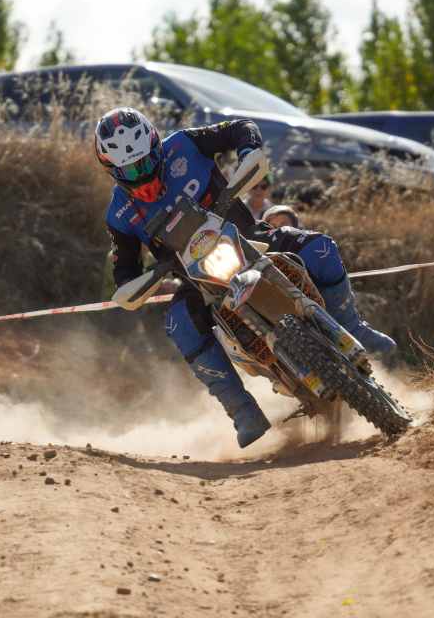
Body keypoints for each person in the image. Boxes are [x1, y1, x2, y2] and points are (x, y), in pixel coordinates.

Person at [97, 107, 396, 448]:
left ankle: (353, 326)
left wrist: (249, 151)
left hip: (249, 237)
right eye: (130, 170)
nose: (142, 174)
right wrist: (133, 287)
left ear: (156, 147)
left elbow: (241, 127)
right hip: (198, 280)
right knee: (179, 324)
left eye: (146, 163)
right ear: (112, 170)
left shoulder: (184, 144)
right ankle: (243, 411)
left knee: (320, 248)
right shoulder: (118, 214)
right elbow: (124, 272)